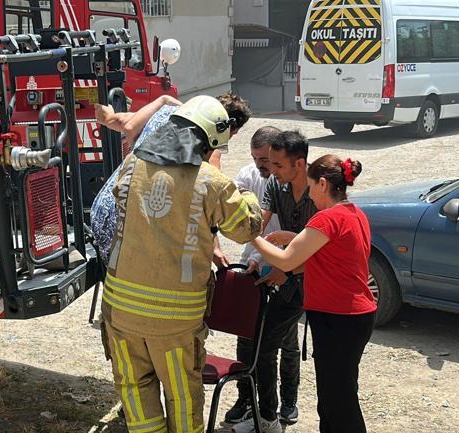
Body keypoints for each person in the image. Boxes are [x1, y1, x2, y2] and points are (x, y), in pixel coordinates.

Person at [99, 95, 262, 433]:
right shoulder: (210, 181)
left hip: (120, 312)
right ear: (210, 141)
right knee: (183, 399)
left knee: (134, 390)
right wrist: (245, 194)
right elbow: (246, 228)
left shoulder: (132, 164)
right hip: (173, 322)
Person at [250, 155, 377, 433]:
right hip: (350, 317)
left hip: (339, 318)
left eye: (310, 186)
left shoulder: (327, 218)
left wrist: (251, 236)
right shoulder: (353, 213)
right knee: (333, 397)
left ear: (322, 184)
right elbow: (321, 258)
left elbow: (287, 261)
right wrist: (291, 239)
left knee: (339, 402)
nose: (308, 193)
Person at [92, 92, 251, 266]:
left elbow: (125, 124)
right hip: (130, 222)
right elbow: (209, 203)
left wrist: (163, 99)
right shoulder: (208, 144)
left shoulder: (170, 112)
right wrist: (215, 249)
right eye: (232, 134)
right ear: (223, 126)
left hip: (104, 210)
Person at [230, 130, 317, 433]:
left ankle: (271, 416)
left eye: (277, 165)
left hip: (309, 282)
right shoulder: (274, 184)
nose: (271, 171)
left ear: (300, 164)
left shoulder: (319, 192)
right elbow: (261, 223)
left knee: (273, 344)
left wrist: (289, 270)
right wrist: (255, 255)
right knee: (256, 341)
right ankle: (263, 413)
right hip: (284, 270)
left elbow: (320, 251)